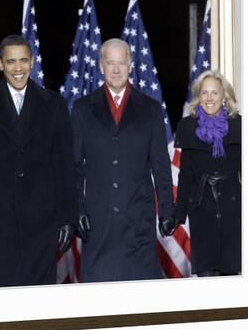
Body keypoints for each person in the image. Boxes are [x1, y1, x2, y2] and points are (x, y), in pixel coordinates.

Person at [0, 34, 76, 287]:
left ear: (32, 62)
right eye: (11, 62)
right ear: (0, 64)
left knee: (40, 306)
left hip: (43, 226)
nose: (18, 68)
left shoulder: (54, 105)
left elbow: (65, 167)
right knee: (5, 305)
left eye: (24, 60)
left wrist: (68, 217)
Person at [71, 38, 176, 282]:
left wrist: (168, 211)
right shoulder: (82, 109)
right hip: (97, 224)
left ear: (130, 65)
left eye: (121, 63)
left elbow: (161, 166)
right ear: (100, 66)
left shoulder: (150, 110)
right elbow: (73, 167)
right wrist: (76, 209)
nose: (116, 69)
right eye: (110, 63)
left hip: (138, 222)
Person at [174, 70, 241, 276]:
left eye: (214, 93)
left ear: (224, 97)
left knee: (233, 280)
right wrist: (179, 214)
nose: (209, 98)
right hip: (202, 212)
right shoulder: (187, 126)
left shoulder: (239, 125)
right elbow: (185, 176)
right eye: (204, 93)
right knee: (207, 280)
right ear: (198, 97)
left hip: (234, 213)